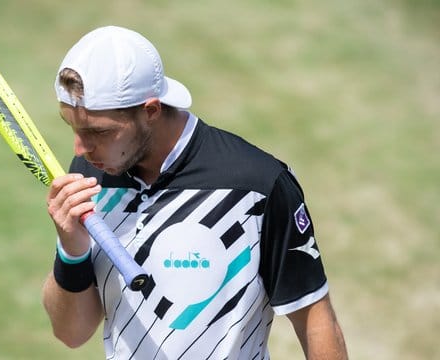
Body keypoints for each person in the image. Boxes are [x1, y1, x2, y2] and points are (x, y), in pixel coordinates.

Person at [41, 25, 348, 359]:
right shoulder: (91, 177)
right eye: (71, 127)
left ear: (151, 111)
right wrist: (71, 249)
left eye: (98, 132)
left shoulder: (257, 185)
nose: (80, 148)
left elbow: (315, 320)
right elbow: (71, 332)